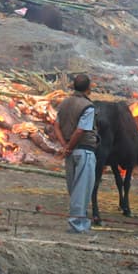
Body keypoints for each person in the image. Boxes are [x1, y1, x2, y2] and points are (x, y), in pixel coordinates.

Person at [53, 74, 98, 234]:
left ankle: (79, 221)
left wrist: (65, 146)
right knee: (82, 188)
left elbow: (56, 125)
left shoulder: (64, 103)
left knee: (73, 187)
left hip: (70, 152)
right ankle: (77, 224)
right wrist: (70, 147)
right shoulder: (88, 107)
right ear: (88, 88)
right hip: (84, 150)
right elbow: (80, 130)